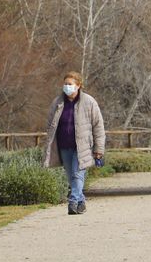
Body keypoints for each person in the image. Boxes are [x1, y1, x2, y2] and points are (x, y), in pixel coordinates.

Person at [43, 71, 106, 215]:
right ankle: (81, 201)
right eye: (65, 84)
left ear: (78, 85)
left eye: (70, 84)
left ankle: (72, 201)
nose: (67, 87)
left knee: (78, 174)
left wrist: (99, 149)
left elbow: (98, 126)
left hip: (82, 146)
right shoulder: (57, 102)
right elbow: (50, 124)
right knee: (71, 175)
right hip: (64, 145)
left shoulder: (89, 102)